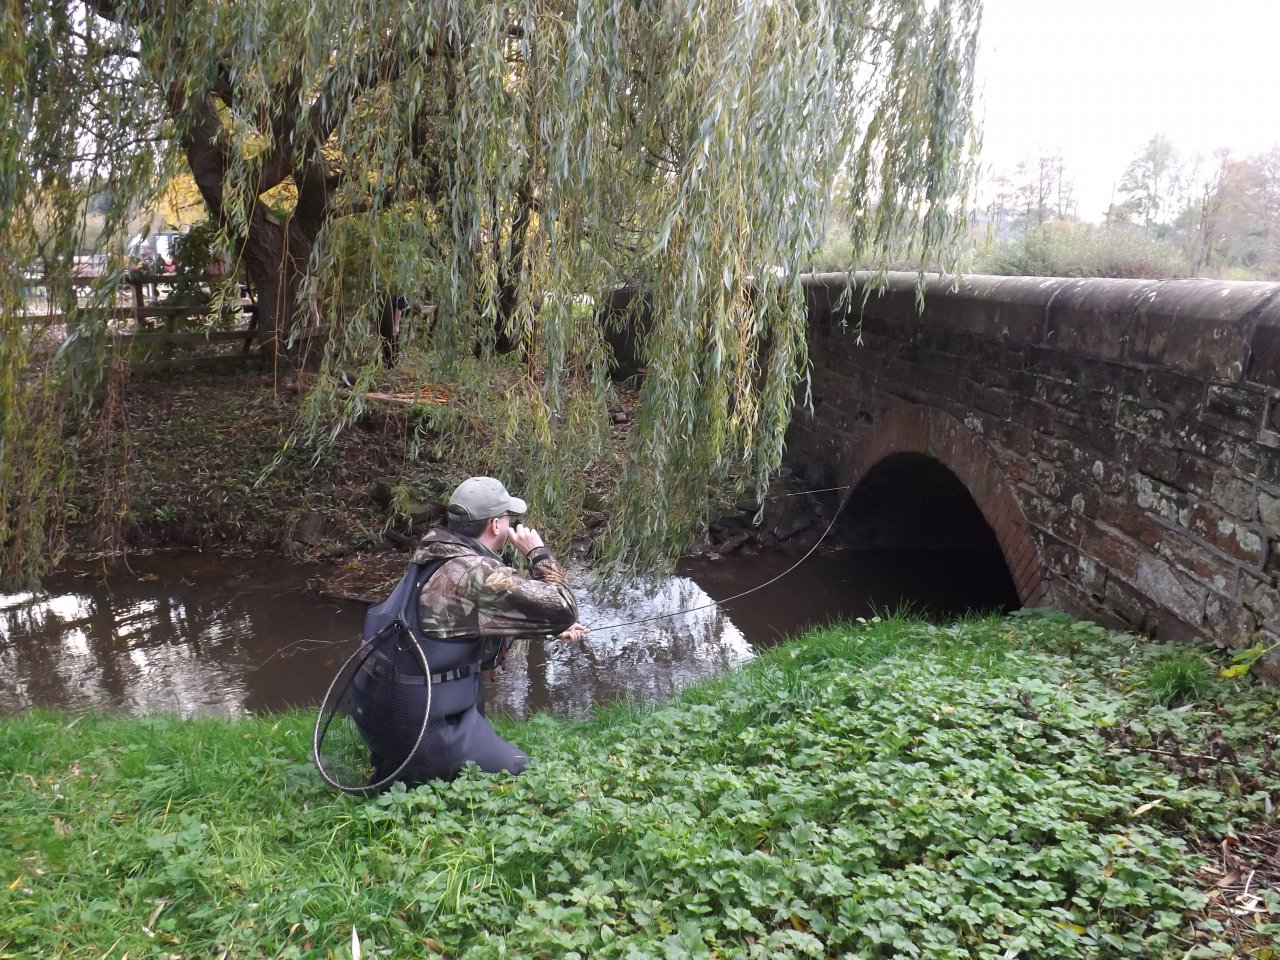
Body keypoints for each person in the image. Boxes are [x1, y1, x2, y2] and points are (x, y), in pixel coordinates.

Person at [351, 476, 587, 786]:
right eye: (507, 518)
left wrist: (546, 628)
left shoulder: (435, 550)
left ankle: (408, 768)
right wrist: (537, 552)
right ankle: (427, 771)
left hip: (384, 708)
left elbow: (458, 625)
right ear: (495, 526)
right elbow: (564, 606)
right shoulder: (477, 574)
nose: (511, 524)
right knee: (519, 771)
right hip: (428, 726)